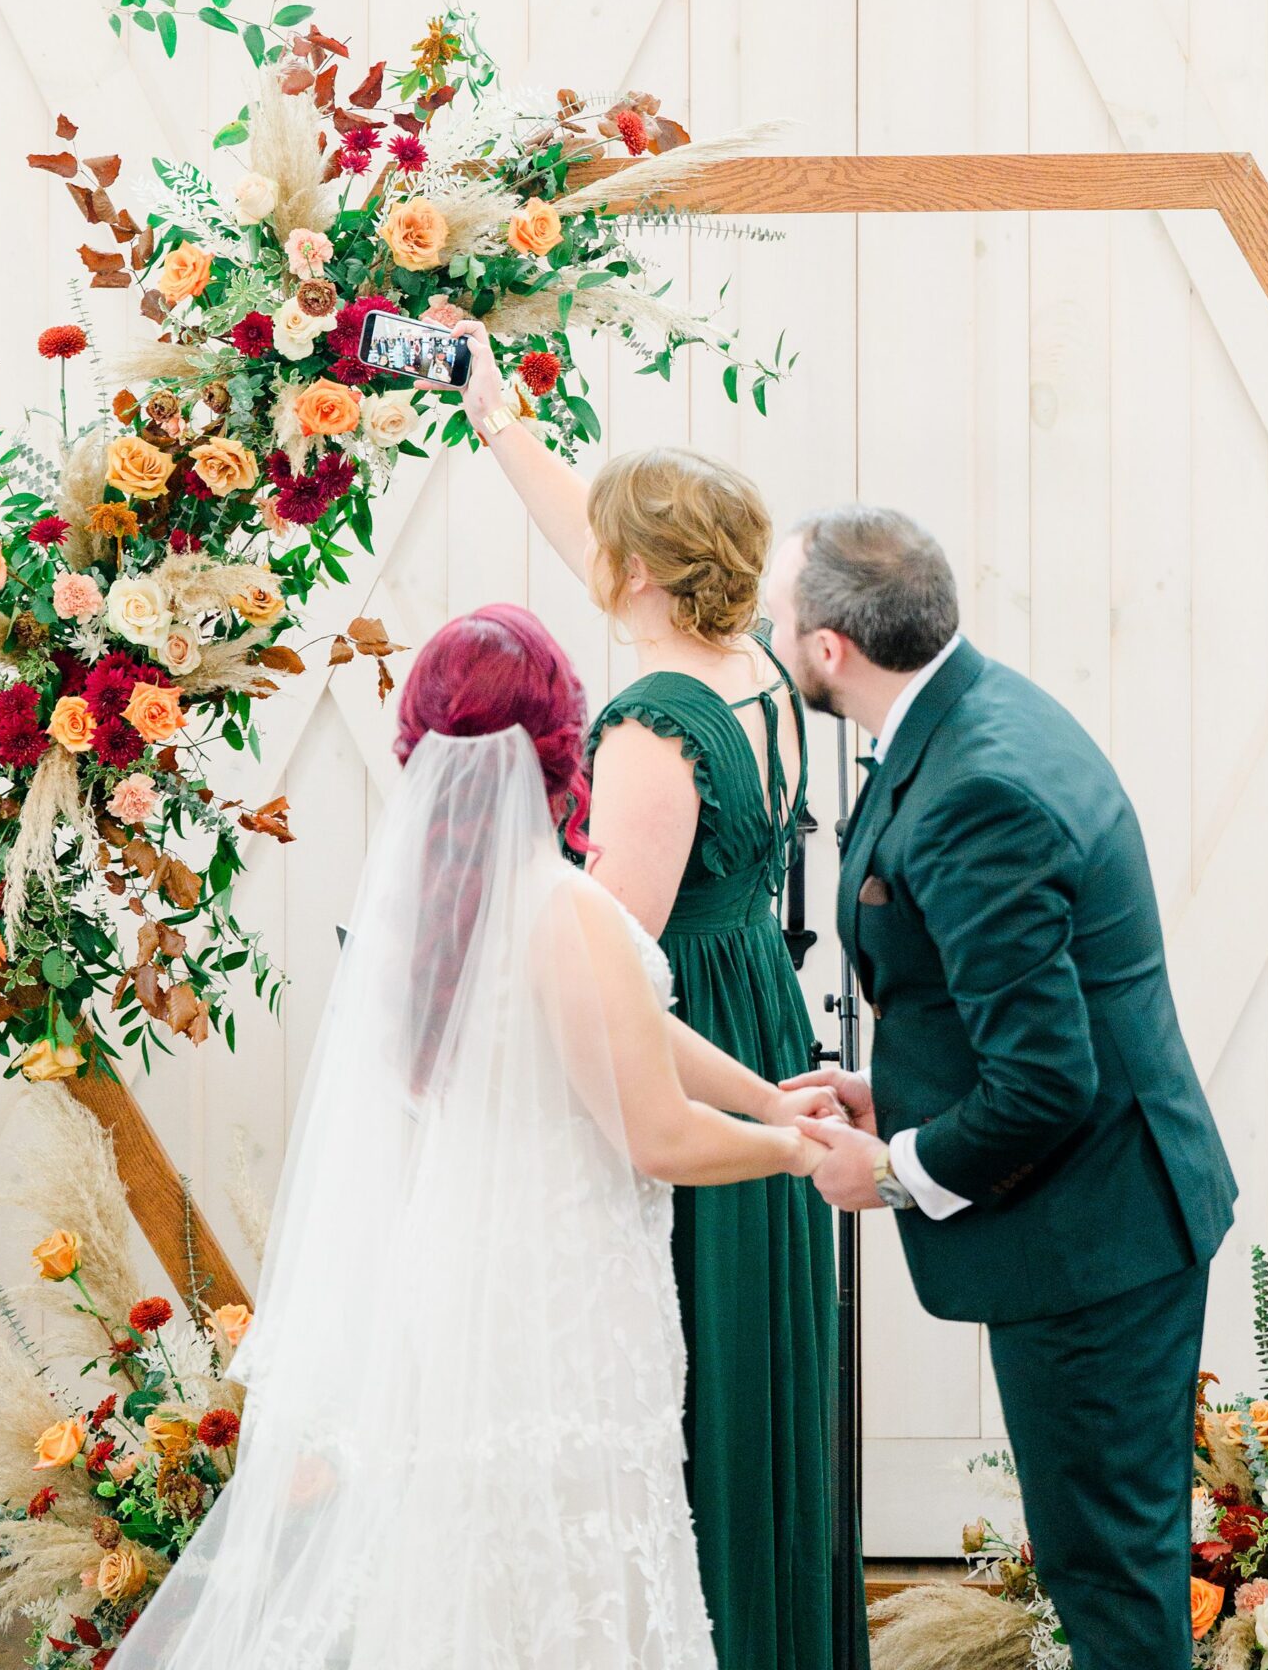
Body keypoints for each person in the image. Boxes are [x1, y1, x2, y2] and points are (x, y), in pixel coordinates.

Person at [110, 604, 831, 1670]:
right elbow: (655, 1136)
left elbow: (633, 1024)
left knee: (466, 1566)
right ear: (559, 740)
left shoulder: (428, 914)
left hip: (455, 1286)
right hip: (568, 1300)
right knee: (578, 1566)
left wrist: (771, 1100)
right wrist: (802, 1155)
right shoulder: (564, 908)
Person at [452, 321, 860, 1670]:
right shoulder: (760, 682)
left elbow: (608, 962)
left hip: (684, 1042)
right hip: (761, 1013)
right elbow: (598, 524)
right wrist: (495, 412)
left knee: (689, 1396)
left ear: (633, 575)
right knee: (762, 1386)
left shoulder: (647, 728)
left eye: (603, 551)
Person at [769, 507, 1239, 1670]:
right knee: (1104, 1565)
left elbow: (1042, 1081)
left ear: (830, 647)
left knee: (1111, 1582)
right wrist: (894, 1087)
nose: (768, 640)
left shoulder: (979, 785)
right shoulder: (970, 711)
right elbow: (1007, 1000)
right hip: (1100, 1210)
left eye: (777, 621)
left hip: (1097, 1238)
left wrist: (889, 1172)